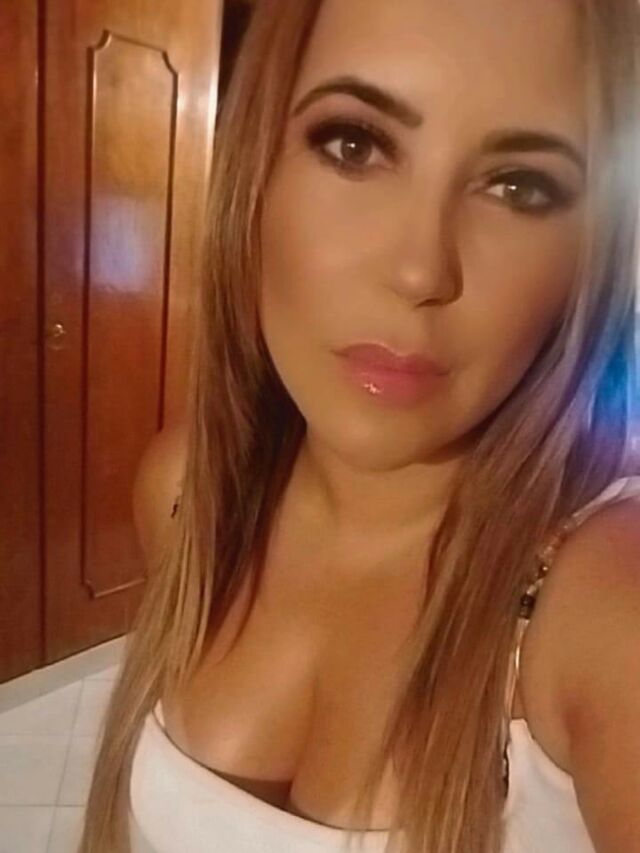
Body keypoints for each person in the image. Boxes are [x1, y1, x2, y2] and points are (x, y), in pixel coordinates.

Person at [79, 0, 640, 851]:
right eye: (355, 144)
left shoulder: (604, 609)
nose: (420, 269)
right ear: (256, 171)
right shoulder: (185, 493)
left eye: (520, 186)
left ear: (590, 253)